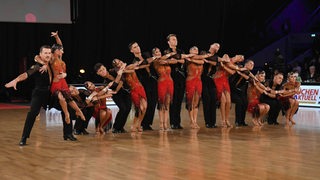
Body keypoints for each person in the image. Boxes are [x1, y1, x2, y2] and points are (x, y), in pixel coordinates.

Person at [5, 45, 52, 146]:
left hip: (50, 93)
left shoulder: (51, 63)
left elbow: (60, 49)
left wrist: (46, 65)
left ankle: (70, 133)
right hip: (39, 93)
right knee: (32, 114)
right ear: (40, 54)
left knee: (67, 103)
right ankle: (24, 137)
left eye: (49, 53)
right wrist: (16, 80)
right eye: (45, 53)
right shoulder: (37, 66)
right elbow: (27, 74)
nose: (48, 55)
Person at [94, 62, 131, 133]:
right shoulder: (105, 82)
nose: (103, 71)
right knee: (123, 108)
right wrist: (115, 89)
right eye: (100, 71)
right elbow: (115, 84)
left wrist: (122, 67)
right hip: (117, 95)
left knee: (128, 109)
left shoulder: (113, 71)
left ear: (105, 68)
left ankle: (121, 127)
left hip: (125, 91)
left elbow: (121, 81)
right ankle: (116, 128)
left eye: (103, 69)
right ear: (98, 73)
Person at [112, 59, 147, 132]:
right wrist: (122, 70)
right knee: (138, 108)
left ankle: (139, 124)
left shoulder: (129, 67)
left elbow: (133, 69)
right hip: (133, 90)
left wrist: (124, 68)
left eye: (120, 61)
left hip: (140, 88)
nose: (120, 63)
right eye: (118, 64)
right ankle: (134, 125)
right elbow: (119, 75)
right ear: (117, 66)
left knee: (144, 107)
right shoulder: (120, 73)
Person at [128, 41, 158, 131]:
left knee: (153, 102)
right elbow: (144, 63)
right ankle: (142, 123)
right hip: (144, 82)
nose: (137, 48)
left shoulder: (146, 54)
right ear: (131, 51)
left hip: (153, 79)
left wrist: (146, 62)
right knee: (146, 103)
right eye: (134, 47)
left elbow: (148, 62)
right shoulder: (134, 61)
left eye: (137, 46)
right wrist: (145, 63)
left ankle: (148, 123)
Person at [164, 34, 191, 129]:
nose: (175, 40)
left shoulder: (180, 51)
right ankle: (172, 122)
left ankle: (177, 122)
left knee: (179, 101)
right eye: (173, 39)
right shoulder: (167, 51)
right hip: (172, 77)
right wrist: (178, 60)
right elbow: (170, 61)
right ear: (169, 42)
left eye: (176, 39)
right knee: (173, 100)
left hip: (181, 77)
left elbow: (184, 61)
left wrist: (178, 60)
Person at [213, 54, 245, 128]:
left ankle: (227, 119)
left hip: (225, 81)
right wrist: (235, 68)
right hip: (218, 79)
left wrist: (224, 66)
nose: (240, 59)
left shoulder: (236, 66)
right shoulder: (226, 56)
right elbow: (228, 63)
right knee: (223, 100)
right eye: (240, 57)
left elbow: (232, 72)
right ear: (236, 55)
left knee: (229, 101)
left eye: (241, 59)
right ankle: (223, 120)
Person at [152, 47, 176, 131]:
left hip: (170, 83)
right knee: (161, 104)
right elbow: (160, 60)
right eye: (156, 52)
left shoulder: (165, 61)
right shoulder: (155, 61)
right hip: (161, 83)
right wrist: (170, 55)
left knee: (167, 104)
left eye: (159, 51)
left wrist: (168, 61)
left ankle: (166, 124)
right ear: (153, 55)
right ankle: (161, 124)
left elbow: (175, 61)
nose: (158, 53)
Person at [229, 59, 255, 126]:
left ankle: (242, 121)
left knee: (245, 103)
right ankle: (237, 121)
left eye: (253, 65)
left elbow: (251, 80)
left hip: (241, 92)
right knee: (239, 102)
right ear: (245, 64)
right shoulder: (240, 67)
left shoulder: (249, 74)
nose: (252, 65)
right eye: (250, 64)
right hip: (232, 90)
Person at [201, 43, 220, 128]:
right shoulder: (204, 52)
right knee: (207, 99)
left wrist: (208, 61)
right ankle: (207, 122)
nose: (217, 47)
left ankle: (213, 122)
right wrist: (209, 59)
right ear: (211, 46)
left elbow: (217, 64)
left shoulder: (216, 57)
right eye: (216, 45)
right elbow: (204, 57)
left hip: (211, 80)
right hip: (203, 79)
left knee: (213, 99)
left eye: (218, 47)